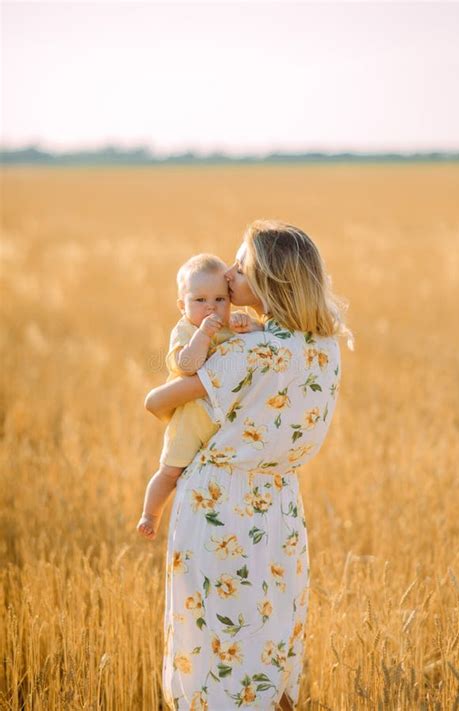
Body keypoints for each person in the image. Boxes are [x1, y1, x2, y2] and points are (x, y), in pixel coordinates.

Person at [144, 219, 354, 711]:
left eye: (241, 265)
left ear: (269, 281)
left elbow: (157, 402)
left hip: (221, 504)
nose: (231, 274)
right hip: (280, 508)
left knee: (217, 648)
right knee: (272, 638)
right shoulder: (325, 346)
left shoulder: (251, 352)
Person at [137, 253, 262, 540]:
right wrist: (203, 335)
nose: (211, 308)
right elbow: (188, 365)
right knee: (170, 472)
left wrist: (251, 326)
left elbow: (256, 344)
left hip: (221, 424)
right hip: (191, 419)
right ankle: (150, 514)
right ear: (183, 305)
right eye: (200, 300)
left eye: (220, 300)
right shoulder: (185, 330)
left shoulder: (231, 324)